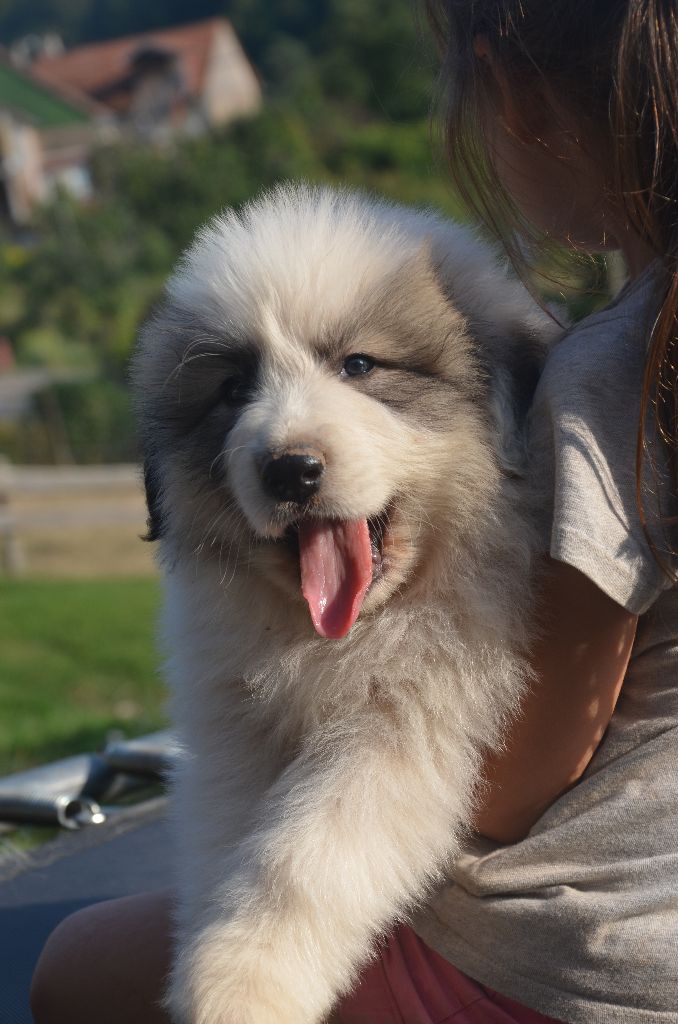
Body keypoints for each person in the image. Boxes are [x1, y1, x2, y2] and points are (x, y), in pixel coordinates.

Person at [30, 2, 678, 1022]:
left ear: (509, 96)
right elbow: (241, 764)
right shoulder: (628, 346)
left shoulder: (602, 377)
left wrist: (256, 955)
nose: (287, 432)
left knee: (78, 969)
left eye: (360, 364)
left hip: (563, 954)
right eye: (234, 386)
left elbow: (498, 783)